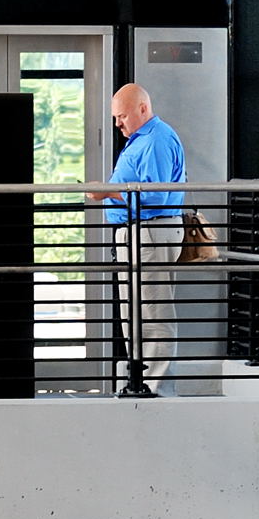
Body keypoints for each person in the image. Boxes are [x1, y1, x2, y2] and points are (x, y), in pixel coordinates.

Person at [87, 84, 186, 395]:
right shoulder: (140, 140)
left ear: (143, 108)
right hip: (138, 232)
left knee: (153, 312)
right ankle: (140, 381)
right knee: (134, 314)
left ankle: (156, 388)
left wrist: (107, 191)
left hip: (150, 230)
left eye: (122, 116)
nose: (118, 124)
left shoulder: (155, 139)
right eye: (116, 118)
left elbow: (155, 196)